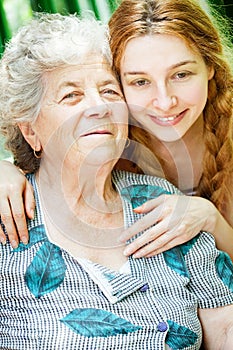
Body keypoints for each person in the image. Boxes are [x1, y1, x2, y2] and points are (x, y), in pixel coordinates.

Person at [1, 12, 233, 350]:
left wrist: (211, 218)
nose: (99, 107)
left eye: (109, 91)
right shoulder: (8, 219)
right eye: (72, 96)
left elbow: (224, 324)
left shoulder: (160, 197)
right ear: (30, 130)